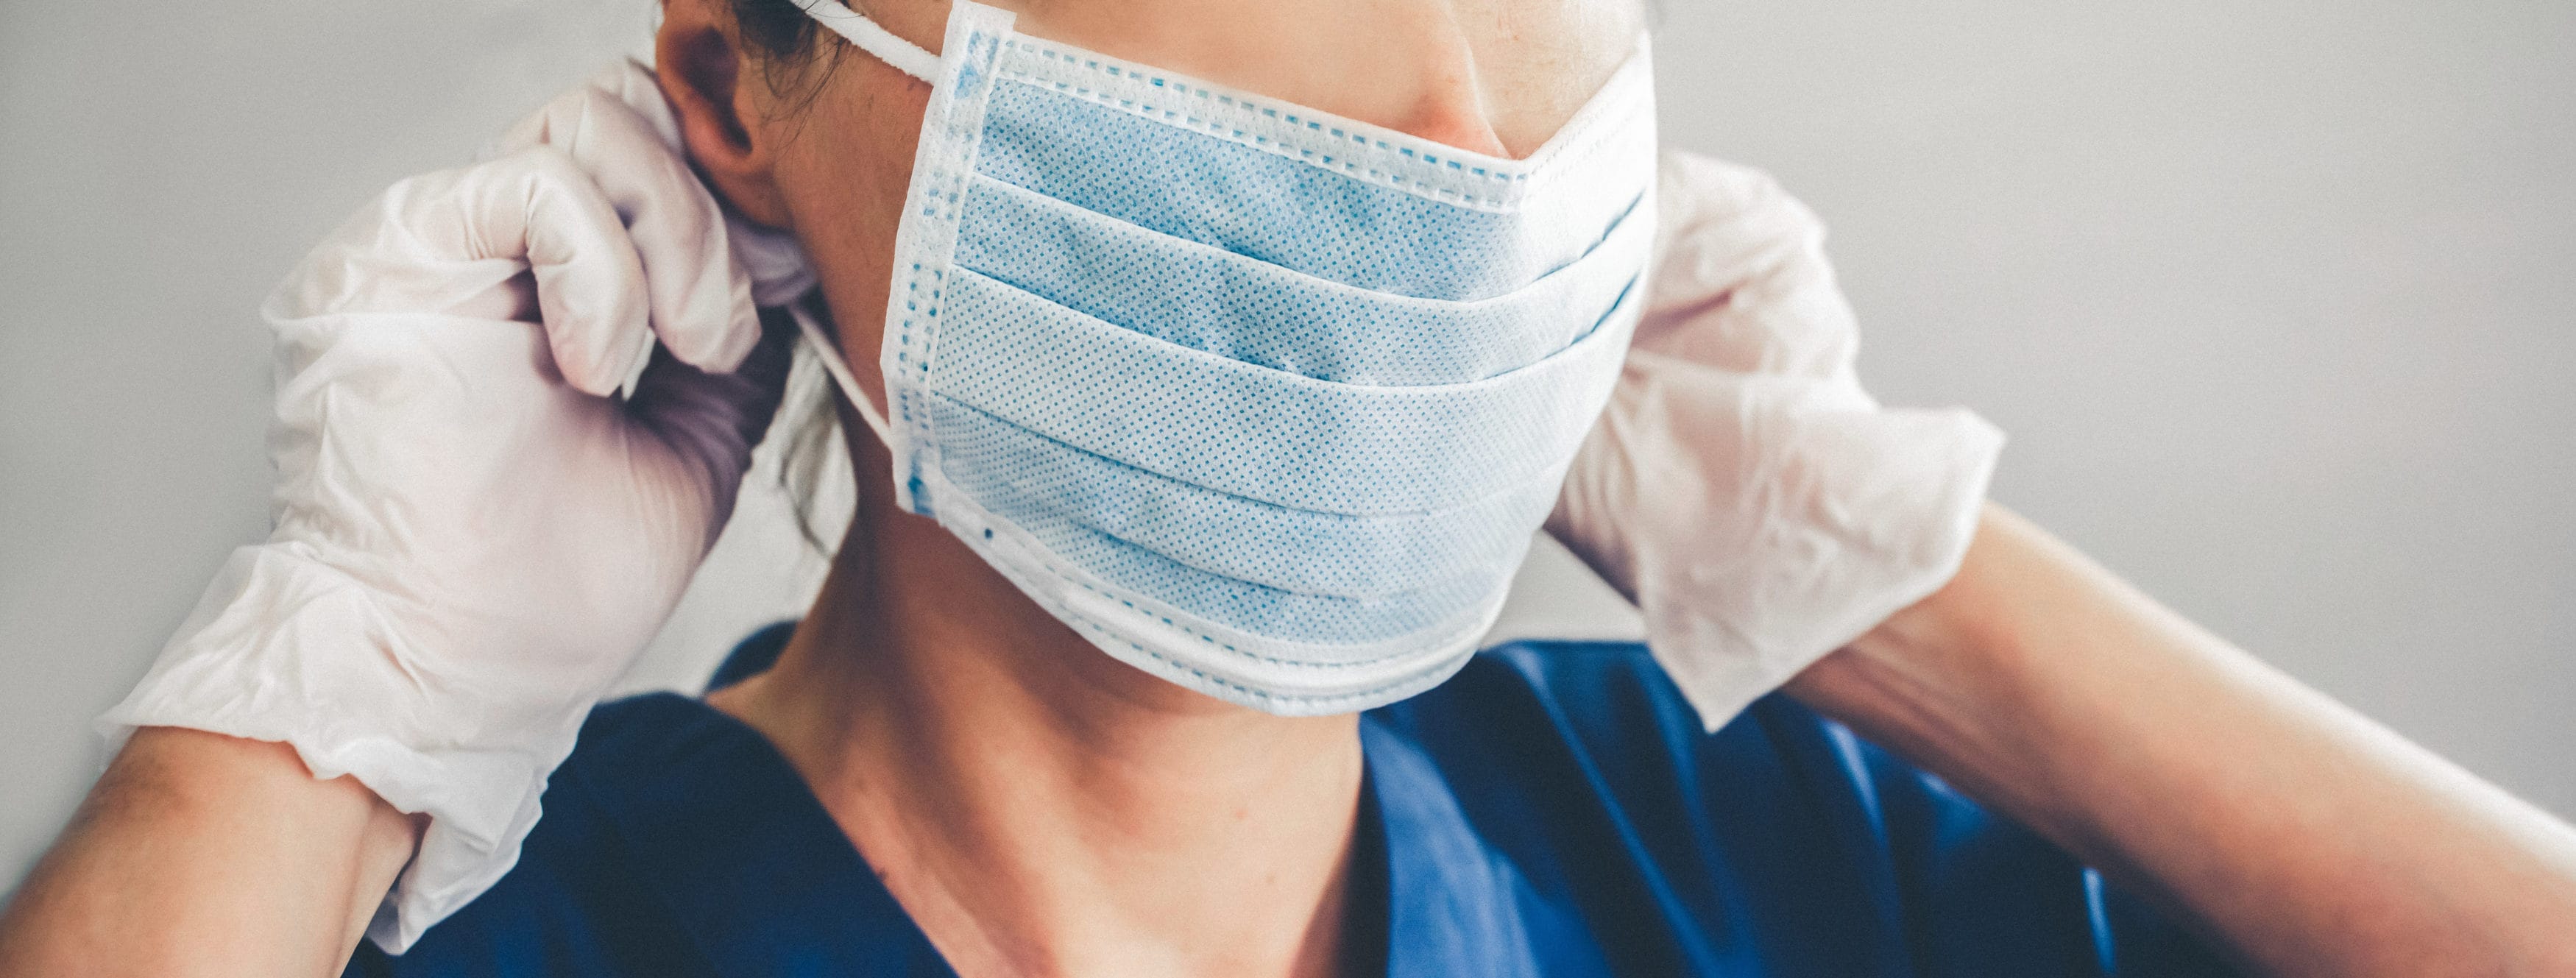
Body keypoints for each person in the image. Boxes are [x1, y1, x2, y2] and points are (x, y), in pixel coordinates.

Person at [4, 0, 2575, 974]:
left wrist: (1881, 584)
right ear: (730, 88)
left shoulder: (1769, 866)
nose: (1453, 111)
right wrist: (323, 711)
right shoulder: (533, 953)